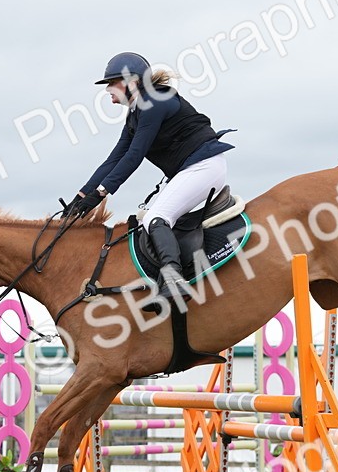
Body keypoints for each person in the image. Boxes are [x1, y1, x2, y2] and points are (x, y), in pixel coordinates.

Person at [67, 51, 233, 306]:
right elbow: (113, 159)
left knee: (157, 218)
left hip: (204, 167)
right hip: (194, 168)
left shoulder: (154, 103)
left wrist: (99, 194)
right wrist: (80, 197)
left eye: (112, 83)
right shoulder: (136, 112)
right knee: (148, 219)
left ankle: (174, 280)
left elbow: (134, 156)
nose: (108, 90)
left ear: (131, 82)